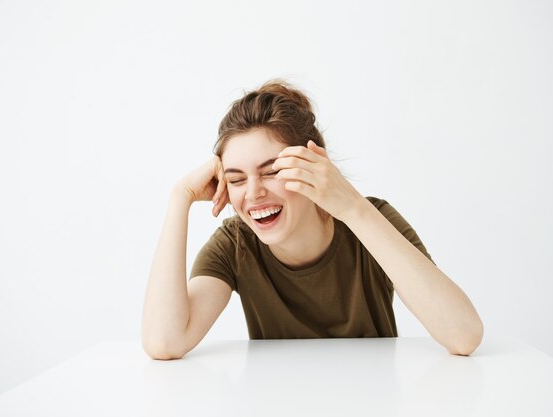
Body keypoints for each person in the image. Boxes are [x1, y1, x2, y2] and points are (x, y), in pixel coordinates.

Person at [141, 79, 484, 360]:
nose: (254, 193)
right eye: (236, 179)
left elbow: (463, 335)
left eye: (271, 171)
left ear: (314, 164)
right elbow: (164, 342)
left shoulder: (370, 219)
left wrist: (351, 205)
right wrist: (179, 199)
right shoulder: (235, 244)